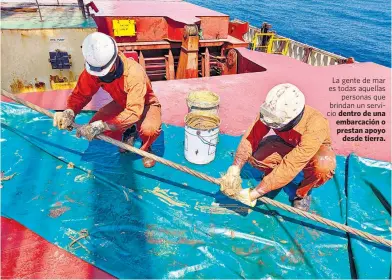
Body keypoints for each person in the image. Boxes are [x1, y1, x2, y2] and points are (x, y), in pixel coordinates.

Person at [52, 32, 161, 168]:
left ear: (115, 61)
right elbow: (80, 94)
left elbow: (134, 112)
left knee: (148, 129)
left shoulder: (134, 74)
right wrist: (70, 111)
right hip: (121, 103)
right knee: (94, 127)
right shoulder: (93, 71)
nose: (100, 76)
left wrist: (102, 125)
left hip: (146, 105)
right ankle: (130, 130)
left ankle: (147, 148)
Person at [221, 83, 336, 211]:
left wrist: (256, 193)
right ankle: (274, 178)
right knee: (258, 158)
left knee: (323, 167)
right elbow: (251, 138)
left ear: (293, 119)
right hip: (287, 143)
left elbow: (292, 164)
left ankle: (302, 193)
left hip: (314, 152)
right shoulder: (271, 111)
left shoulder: (316, 125)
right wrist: (235, 169)